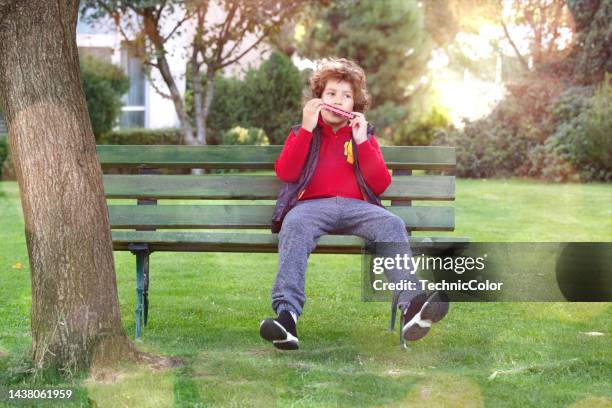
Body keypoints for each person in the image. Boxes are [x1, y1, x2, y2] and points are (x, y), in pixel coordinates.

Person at [259, 58, 448, 350]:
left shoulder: (363, 134)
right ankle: (287, 317)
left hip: (356, 208)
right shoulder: (303, 132)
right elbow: (287, 172)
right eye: (331, 94)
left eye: (346, 96)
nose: (338, 100)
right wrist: (308, 130)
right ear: (319, 99)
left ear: (354, 105)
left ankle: (412, 308)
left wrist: (362, 142)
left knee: (392, 223)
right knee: (294, 223)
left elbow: (381, 183)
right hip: (312, 208)